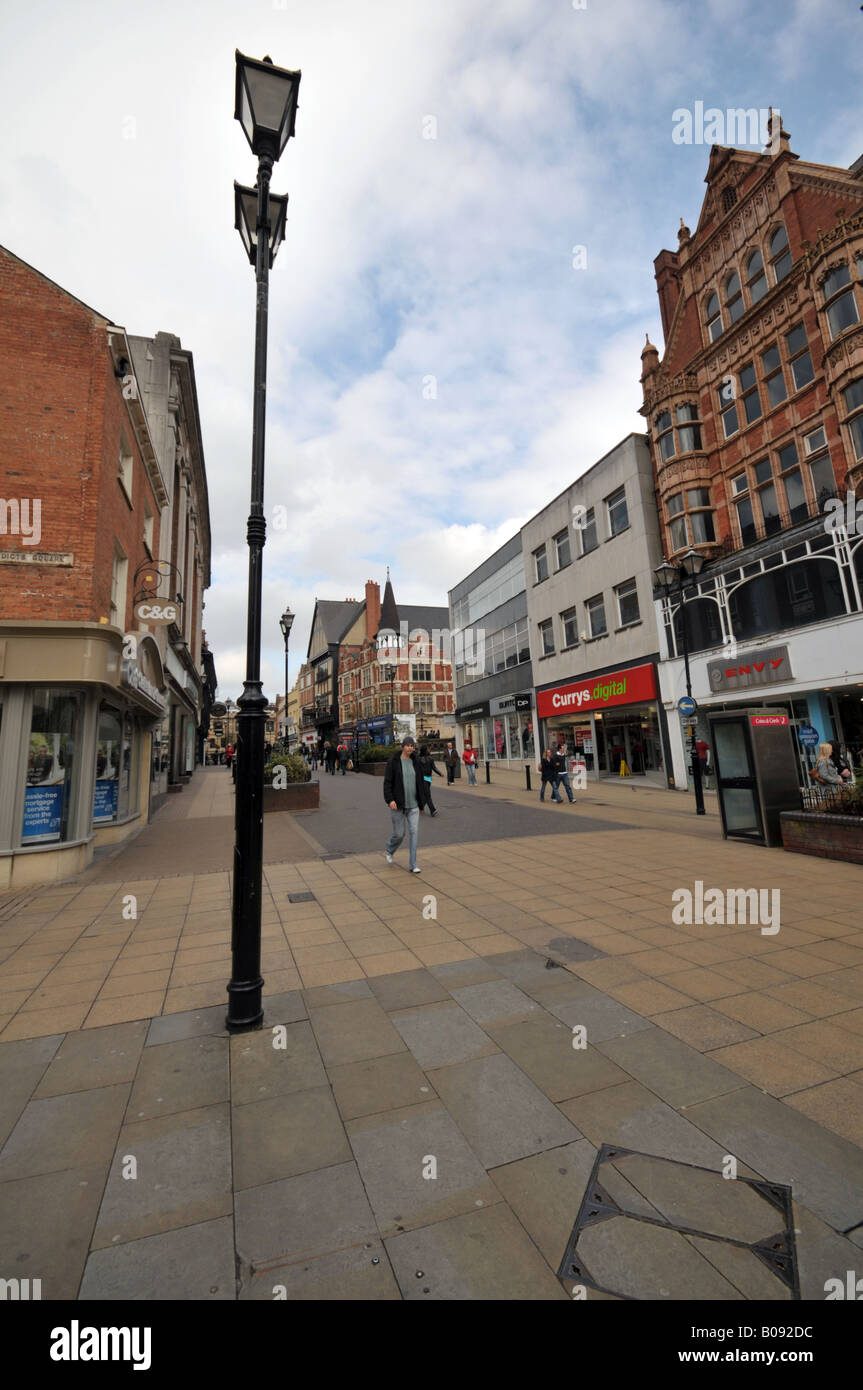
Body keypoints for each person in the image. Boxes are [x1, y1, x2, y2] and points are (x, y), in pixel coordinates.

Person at [384, 735, 429, 872]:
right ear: (402, 746)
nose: (410, 747)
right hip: (398, 805)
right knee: (400, 833)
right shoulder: (394, 762)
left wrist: (422, 804)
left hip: (413, 805)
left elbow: (420, 783)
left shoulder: (416, 762)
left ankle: (413, 865)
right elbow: (387, 783)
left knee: (414, 833)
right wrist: (390, 800)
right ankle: (390, 849)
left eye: (412, 745)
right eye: (408, 745)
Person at [417, 743, 442, 816]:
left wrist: (440, 773)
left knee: (425, 794)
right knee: (427, 794)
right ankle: (432, 810)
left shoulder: (431, 759)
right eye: (428, 749)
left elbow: (434, 768)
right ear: (424, 750)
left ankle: (420, 807)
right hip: (422, 778)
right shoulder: (418, 759)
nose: (429, 750)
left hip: (428, 778)